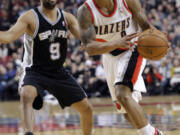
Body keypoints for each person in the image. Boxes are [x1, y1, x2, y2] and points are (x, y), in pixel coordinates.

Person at [0, 0, 93, 135]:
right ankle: (28, 132)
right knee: (26, 94)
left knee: (87, 109)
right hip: (35, 70)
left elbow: (86, 37)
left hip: (58, 71)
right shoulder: (30, 17)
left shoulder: (67, 17)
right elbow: (8, 36)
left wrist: (89, 39)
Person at [77, 0, 163, 135]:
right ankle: (155, 132)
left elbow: (146, 27)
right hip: (109, 56)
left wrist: (158, 42)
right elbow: (89, 48)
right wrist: (116, 43)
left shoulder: (127, 2)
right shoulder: (85, 11)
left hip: (133, 48)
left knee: (122, 93)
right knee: (126, 112)